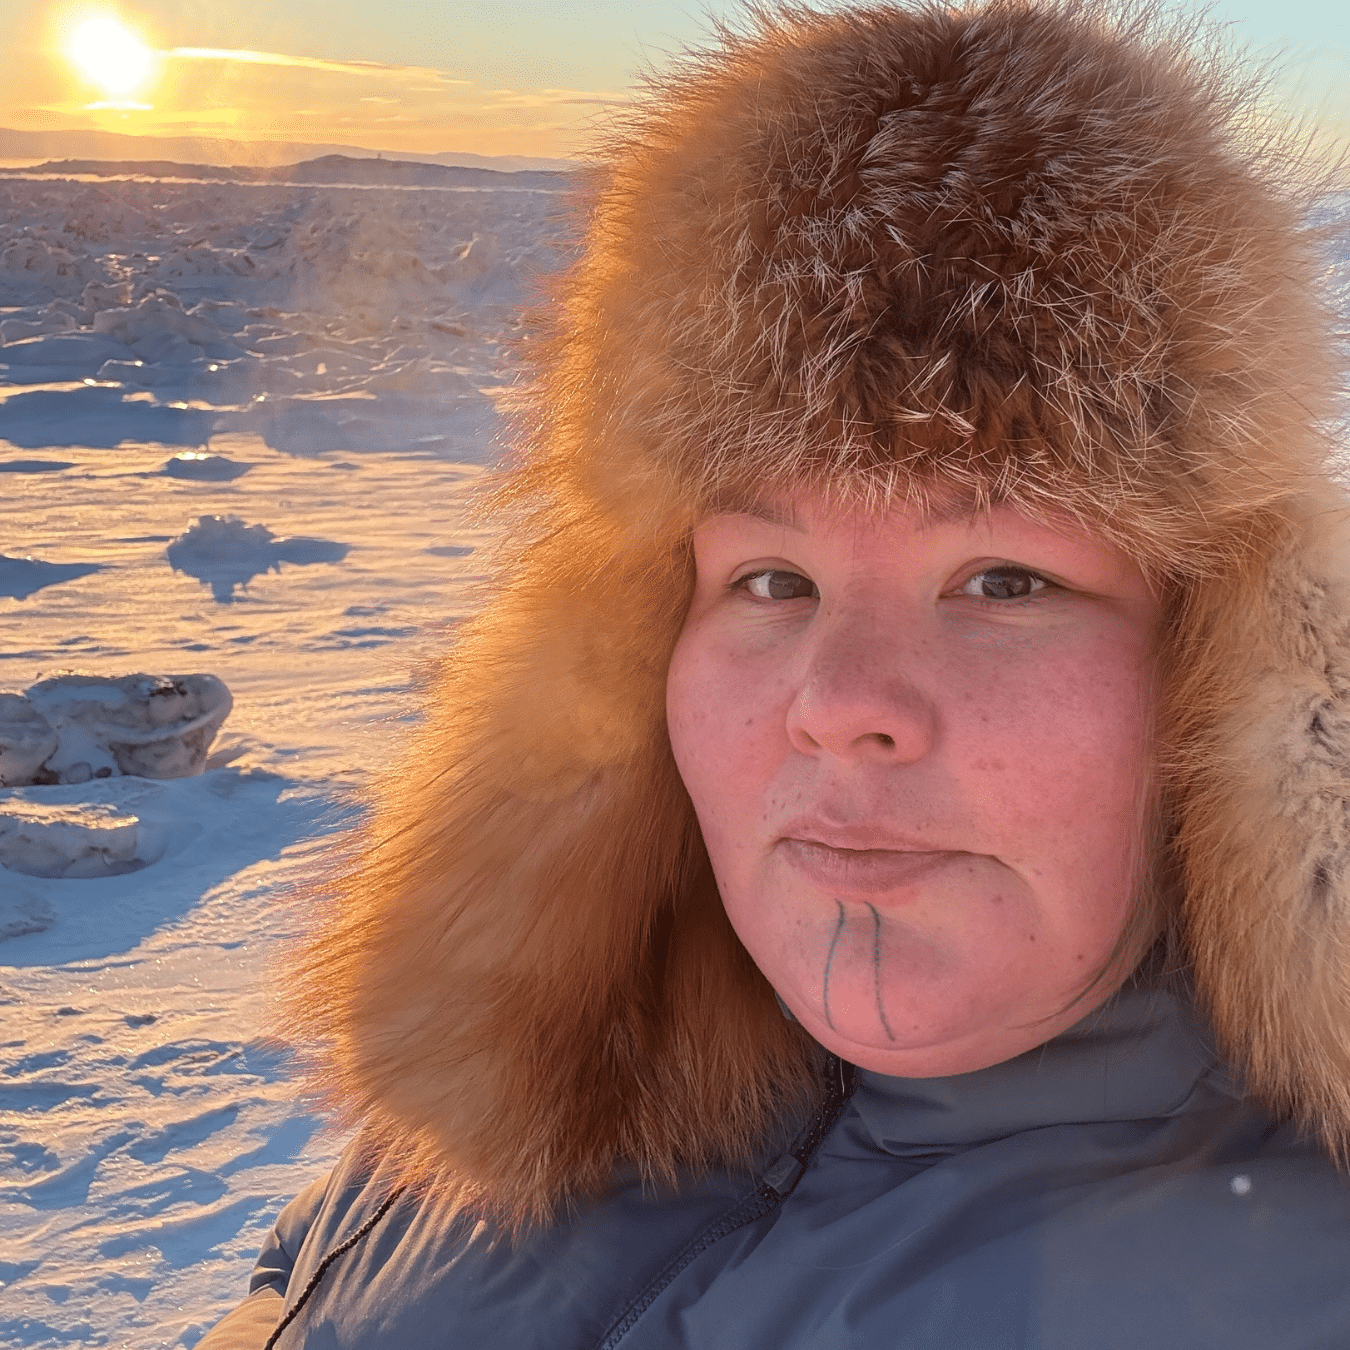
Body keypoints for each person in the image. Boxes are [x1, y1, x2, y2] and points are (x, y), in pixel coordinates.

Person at [199, 2, 1350, 1346]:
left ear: (1218, 670)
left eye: (1003, 580)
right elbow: (311, 1270)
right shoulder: (539, 1049)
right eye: (770, 582)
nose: (836, 702)